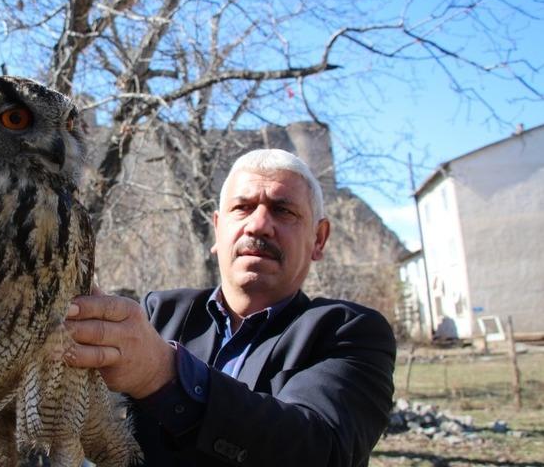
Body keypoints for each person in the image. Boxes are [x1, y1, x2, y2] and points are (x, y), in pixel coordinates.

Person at [65, 148, 396, 466]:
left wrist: (164, 374)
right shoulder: (159, 314)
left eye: (283, 210)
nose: (258, 225)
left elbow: (321, 450)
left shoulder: (348, 332)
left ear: (319, 238)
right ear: (217, 229)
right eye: (242, 207)